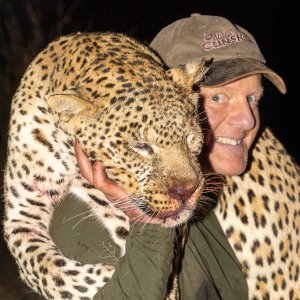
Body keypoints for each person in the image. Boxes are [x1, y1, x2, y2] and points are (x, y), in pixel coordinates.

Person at [50, 13, 286, 299]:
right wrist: (148, 226)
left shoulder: (218, 190)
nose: (248, 120)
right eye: (217, 98)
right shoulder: (84, 212)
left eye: (252, 99)